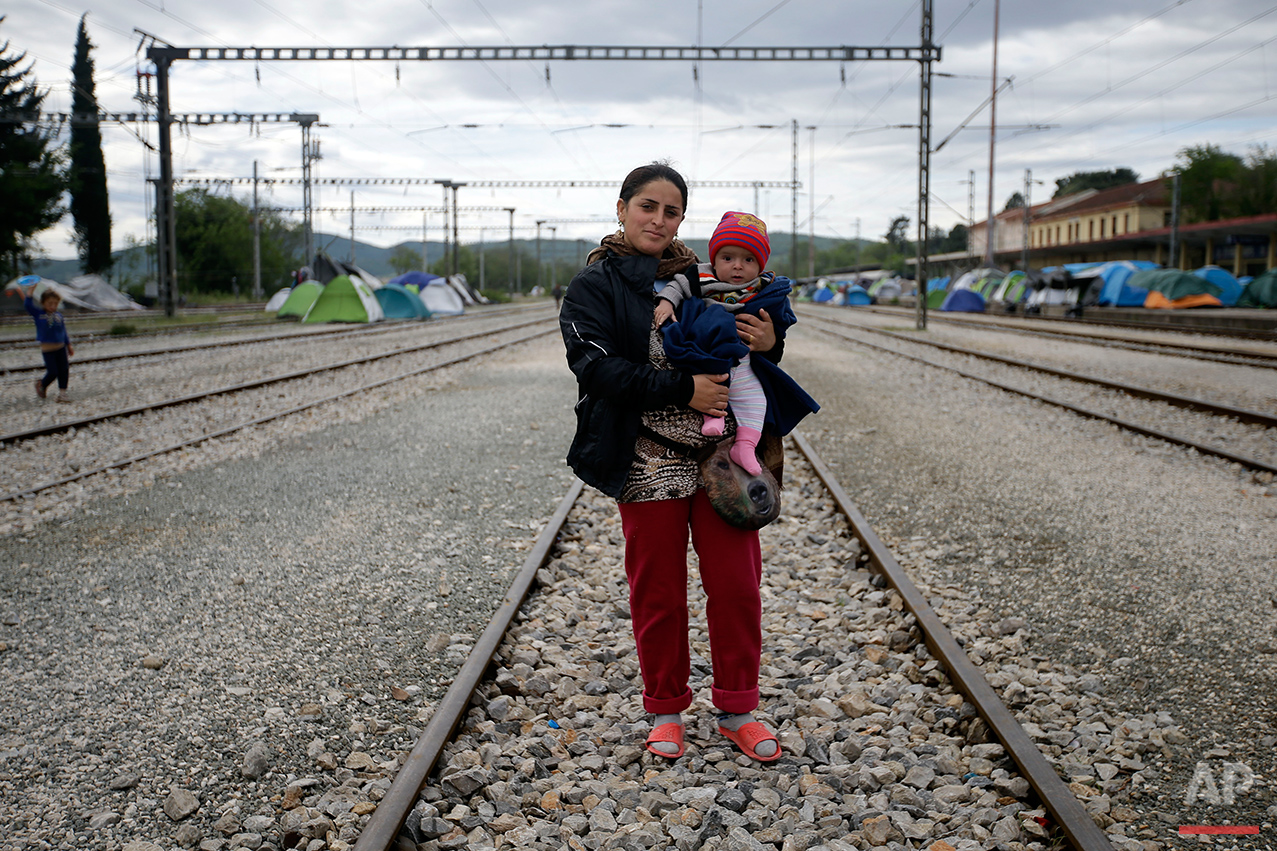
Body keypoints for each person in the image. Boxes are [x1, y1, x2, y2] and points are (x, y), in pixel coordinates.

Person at [559, 162, 785, 762]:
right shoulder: (593, 287)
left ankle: (739, 709)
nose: (659, 220)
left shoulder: (701, 274)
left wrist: (770, 341)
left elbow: (749, 343)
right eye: (648, 207)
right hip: (646, 457)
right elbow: (598, 370)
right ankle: (665, 711)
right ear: (622, 208)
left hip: (721, 458)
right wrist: (681, 391)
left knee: (737, 585)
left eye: (672, 211)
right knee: (656, 592)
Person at [653, 211, 818, 475]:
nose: (737, 266)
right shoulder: (701, 277)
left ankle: (745, 445)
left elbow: (780, 321)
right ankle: (714, 417)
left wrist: (773, 337)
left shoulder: (765, 288)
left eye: (748, 259)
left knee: (756, 401)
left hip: (743, 363)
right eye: (727, 258)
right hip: (710, 357)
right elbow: (677, 287)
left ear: (760, 265)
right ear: (714, 260)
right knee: (713, 387)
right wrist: (666, 301)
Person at [23, 281, 74, 403]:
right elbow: (28, 305)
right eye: (50, 303)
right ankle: (42, 384)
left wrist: (68, 345)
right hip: (48, 349)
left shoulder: (58, 316)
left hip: (60, 347)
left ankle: (62, 394)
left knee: (64, 370)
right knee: (53, 372)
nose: (53, 306)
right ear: (43, 303)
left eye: (55, 303)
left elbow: (63, 331)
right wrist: (30, 292)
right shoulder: (39, 314)